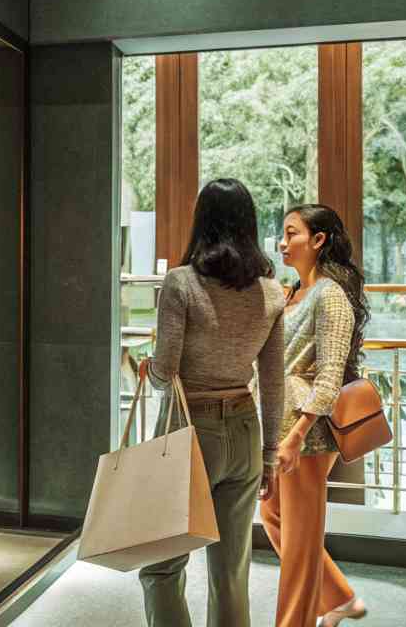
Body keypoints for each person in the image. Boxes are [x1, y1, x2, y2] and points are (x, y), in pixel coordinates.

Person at [140, 178, 285, 627]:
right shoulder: (271, 291)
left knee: (162, 564)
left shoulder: (181, 283)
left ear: (201, 221)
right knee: (230, 570)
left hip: (189, 432)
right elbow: (274, 382)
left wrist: (148, 368)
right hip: (245, 431)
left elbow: (165, 372)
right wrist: (270, 455)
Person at [260, 204, 370, 626]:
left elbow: (330, 376)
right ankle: (340, 597)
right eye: (282, 234)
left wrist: (298, 434)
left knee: (302, 541)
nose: (283, 243)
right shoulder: (293, 292)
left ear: (319, 240)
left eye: (292, 234)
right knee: (273, 516)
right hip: (280, 425)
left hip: (308, 434)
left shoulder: (331, 295)